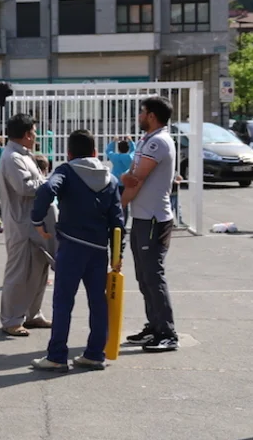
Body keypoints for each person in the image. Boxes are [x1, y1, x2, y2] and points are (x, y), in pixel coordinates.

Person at [31, 129, 125, 371]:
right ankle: (95, 353)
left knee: (63, 302)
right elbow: (118, 221)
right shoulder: (111, 179)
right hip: (99, 249)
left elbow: (46, 189)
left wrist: (37, 219)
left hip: (72, 245)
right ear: (95, 152)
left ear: (69, 153)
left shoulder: (66, 171)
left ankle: (57, 356)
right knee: (98, 302)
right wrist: (118, 254)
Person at [121, 96, 179, 352]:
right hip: (143, 217)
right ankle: (154, 326)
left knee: (153, 276)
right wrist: (128, 177)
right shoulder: (148, 140)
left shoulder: (158, 142)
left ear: (152, 116)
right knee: (144, 277)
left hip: (154, 218)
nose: (139, 116)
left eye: (142, 112)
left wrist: (120, 204)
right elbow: (130, 175)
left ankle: (167, 333)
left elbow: (137, 178)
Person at [0, 113, 52, 337]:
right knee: (19, 273)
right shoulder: (12, 157)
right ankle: (11, 320)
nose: (36, 136)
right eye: (34, 132)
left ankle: (32, 314)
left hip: (34, 223)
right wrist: (49, 183)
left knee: (38, 271)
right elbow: (25, 187)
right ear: (27, 134)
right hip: (21, 224)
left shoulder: (23, 155)